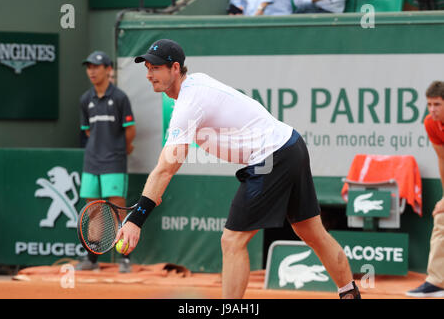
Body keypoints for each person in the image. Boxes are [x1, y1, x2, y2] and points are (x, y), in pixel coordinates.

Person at [115, 39, 360, 299]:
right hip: (291, 144)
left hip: (272, 156)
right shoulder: (195, 86)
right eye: (147, 68)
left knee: (232, 241)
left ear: (175, 68)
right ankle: (350, 294)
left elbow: (166, 168)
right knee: (311, 231)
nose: (149, 74)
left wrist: (136, 220)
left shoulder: (189, 102)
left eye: (155, 68)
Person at [76, 51, 136, 273]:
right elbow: (88, 132)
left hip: (114, 162)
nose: (92, 71)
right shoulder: (85, 99)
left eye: (96, 66)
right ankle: (92, 259)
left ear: (108, 70)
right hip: (91, 162)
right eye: (89, 66)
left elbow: (130, 131)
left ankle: (125, 258)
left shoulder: (120, 98)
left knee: (119, 210)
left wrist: (120, 148)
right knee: (93, 211)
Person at [407, 81, 444, 297]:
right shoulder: (431, 123)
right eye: (429, 104)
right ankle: (437, 282)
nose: (432, 109)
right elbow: (442, 157)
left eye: (437, 104)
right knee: (441, 217)